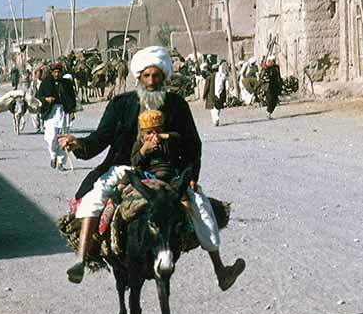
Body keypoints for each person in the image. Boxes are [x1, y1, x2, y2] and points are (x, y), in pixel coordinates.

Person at [58, 45, 245, 289]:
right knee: (93, 199)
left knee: (201, 206)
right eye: (146, 76)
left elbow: (193, 145)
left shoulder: (177, 105)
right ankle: (80, 261)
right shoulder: (121, 105)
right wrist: (78, 144)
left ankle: (220, 270)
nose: (151, 81)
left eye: (156, 76)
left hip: (166, 172)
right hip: (124, 168)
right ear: (138, 77)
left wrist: (191, 176)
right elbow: (100, 138)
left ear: (164, 76)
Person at [37, 62, 77, 170]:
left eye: (59, 72)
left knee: (64, 138)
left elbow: (72, 98)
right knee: (51, 137)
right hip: (51, 113)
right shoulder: (46, 82)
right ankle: (53, 156)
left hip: (64, 112)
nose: (57, 74)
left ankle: (61, 162)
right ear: (51, 72)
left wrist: (72, 111)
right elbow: (38, 97)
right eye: (55, 72)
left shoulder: (67, 83)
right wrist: (46, 99)